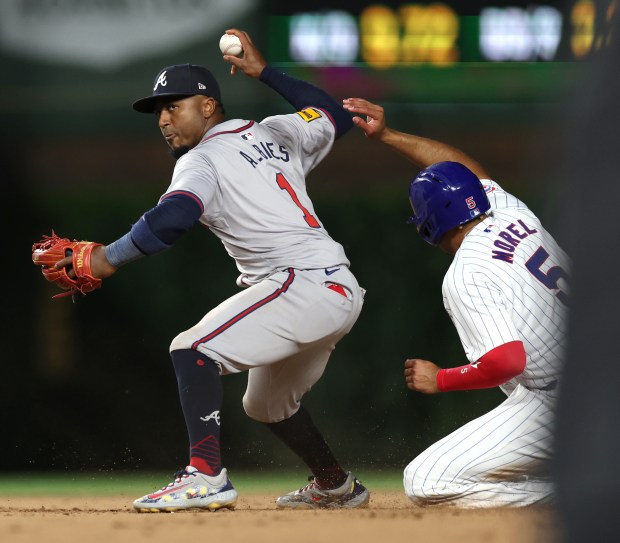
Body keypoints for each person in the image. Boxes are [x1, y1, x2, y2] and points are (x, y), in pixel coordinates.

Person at [55, 30, 370, 512]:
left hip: (299, 282)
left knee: (192, 348)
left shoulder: (201, 160)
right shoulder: (274, 132)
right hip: (334, 287)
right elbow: (333, 113)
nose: (163, 119)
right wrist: (264, 72)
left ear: (206, 106)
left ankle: (205, 476)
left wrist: (106, 258)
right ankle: (335, 484)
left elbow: (173, 217)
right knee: (265, 405)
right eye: (157, 111)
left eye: (173, 106)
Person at [343, 97, 569, 508]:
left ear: (428, 227)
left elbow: (507, 361)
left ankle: (579, 496)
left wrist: (441, 378)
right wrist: (390, 136)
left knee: (427, 481)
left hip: (564, 402)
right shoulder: (509, 212)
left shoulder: (466, 273)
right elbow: (462, 168)